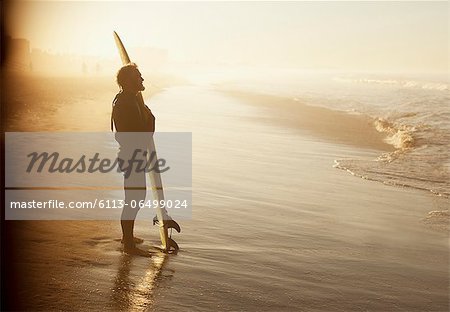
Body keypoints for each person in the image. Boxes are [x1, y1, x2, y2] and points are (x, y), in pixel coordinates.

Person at [111, 63, 155, 257]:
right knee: (134, 199)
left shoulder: (129, 99)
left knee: (135, 198)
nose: (142, 79)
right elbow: (140, 134)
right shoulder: (126, 103)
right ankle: (128, 244)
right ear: (129, 81)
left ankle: (127, 237)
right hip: (132, 156)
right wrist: (151, 119)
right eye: (139, 76)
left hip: (132, 154)